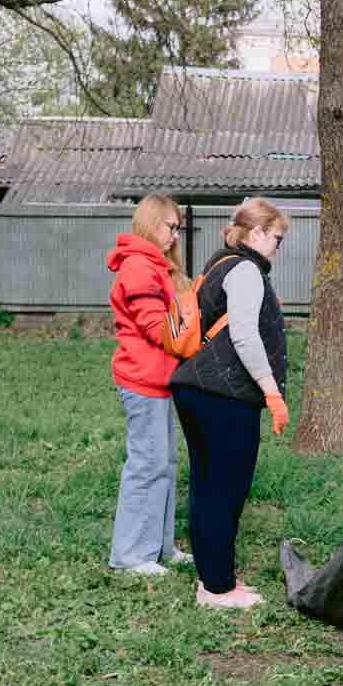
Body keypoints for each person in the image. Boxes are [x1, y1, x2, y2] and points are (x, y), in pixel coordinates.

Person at [168, 197, 293, 611]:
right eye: (277, 237)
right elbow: (244, 336)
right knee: (226, 489)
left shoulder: (219, 264)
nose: (278, 246)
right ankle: (218, 588)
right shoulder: (246, 270)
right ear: (256, 233)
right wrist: (271, 391)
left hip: (196, 389)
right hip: (224, 395)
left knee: (207, 486)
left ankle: (213, 575)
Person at [105, 193, 191, 577]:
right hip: (143, 380)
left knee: (165, 464)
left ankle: (158, 546)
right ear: (149, 222)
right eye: (169, 226)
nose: (175, 235)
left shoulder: (156, 266)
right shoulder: (140, 267)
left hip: (160, 380)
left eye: (178, 228)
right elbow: (159, 329)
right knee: (147, 465)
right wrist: (195, 324)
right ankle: (129, 556)